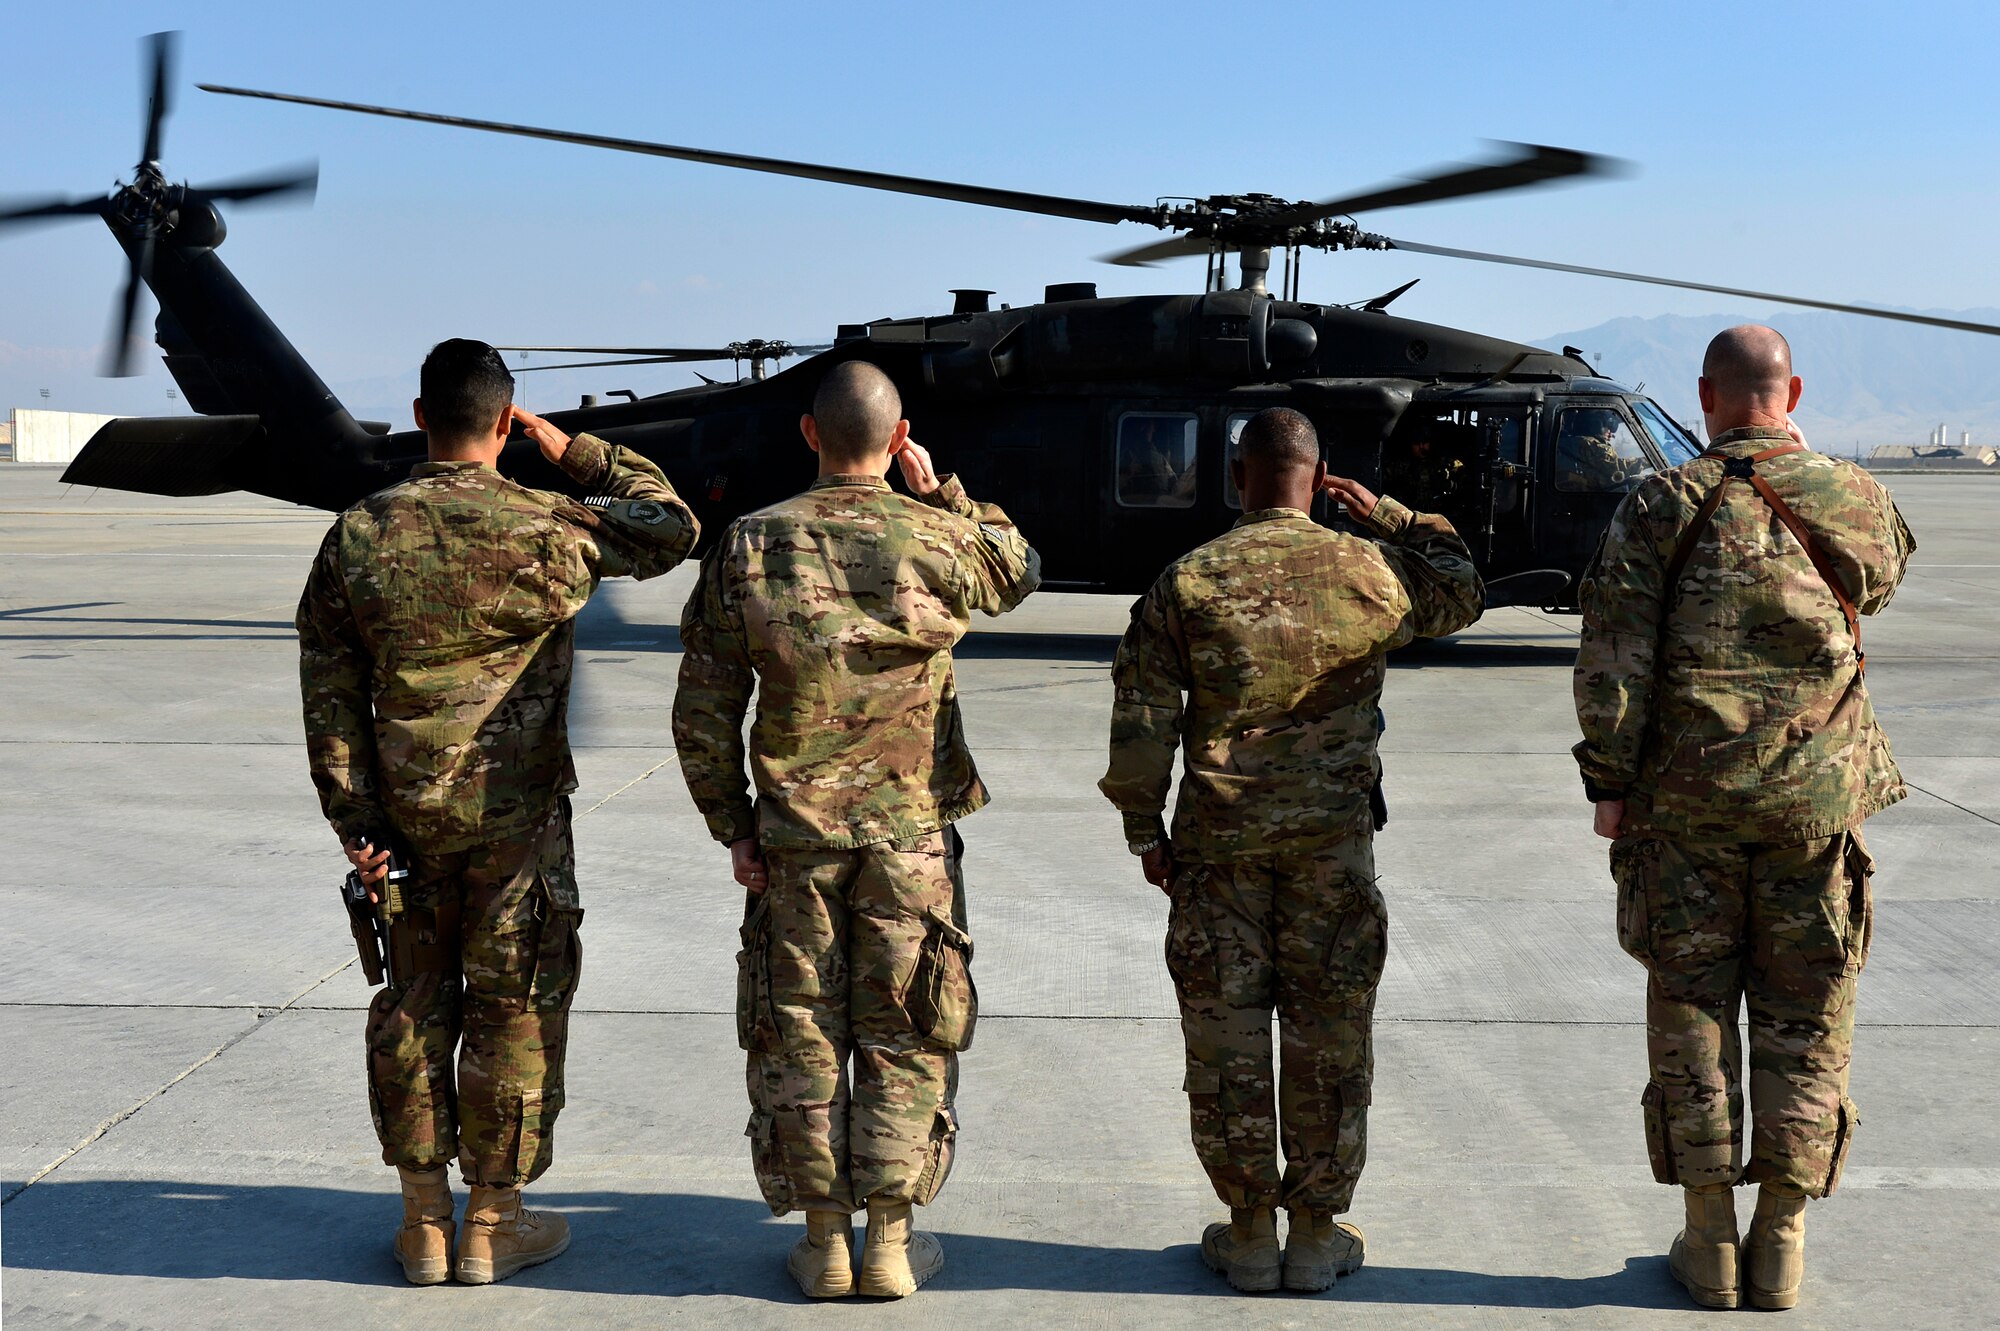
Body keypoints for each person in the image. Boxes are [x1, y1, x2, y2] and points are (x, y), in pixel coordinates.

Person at [297, 338, 697, 1285]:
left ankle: (423, 1222)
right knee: (516, 1008)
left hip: (399, 824)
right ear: (506, 422)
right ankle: (494, 1222)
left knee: (410, 1003)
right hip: (517, 827)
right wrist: (577, 454)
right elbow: (671, 524)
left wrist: (356, 824)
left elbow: (329, 693)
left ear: (421, 414)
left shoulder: (359, 532)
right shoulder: (548, 524)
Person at [672, 360, 1041, 1300]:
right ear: (898, 434)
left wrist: (733, 826)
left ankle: (826, 1241)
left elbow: (705, 707)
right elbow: (1019, 566)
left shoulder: (753, 543)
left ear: (809, 434)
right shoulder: (938, 538)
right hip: (910, 840)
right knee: (906, 1028)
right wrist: (943, 487)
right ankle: (890, 1240)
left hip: (794, 840)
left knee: (800, 1029)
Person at [1099, 406, 1483, 1293]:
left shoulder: (1189, 581)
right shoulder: (1369, 569)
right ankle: (1314, 1235)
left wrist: (1143, 832)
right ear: (1318, 477)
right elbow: (1460, 588)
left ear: (1237, 478)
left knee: (1228, 1040)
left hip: (1218, 853)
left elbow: (1141, 723)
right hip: (1332, 852)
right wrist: (1386, 512)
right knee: (1329, 1037)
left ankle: (1246, 1230)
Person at [1574, 324, 1915, 1311]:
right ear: (1791, 389)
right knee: (1805, 1018)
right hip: (1815, 807)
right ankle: (1781, 1240)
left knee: (1689, 1014)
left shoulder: (1656, 503)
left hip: (1681, 812)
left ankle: (1708, 1237)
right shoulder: (1849, 495)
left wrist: (1609, 782)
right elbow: (1879, 584)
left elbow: (1610, 661)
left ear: (1705, 396)